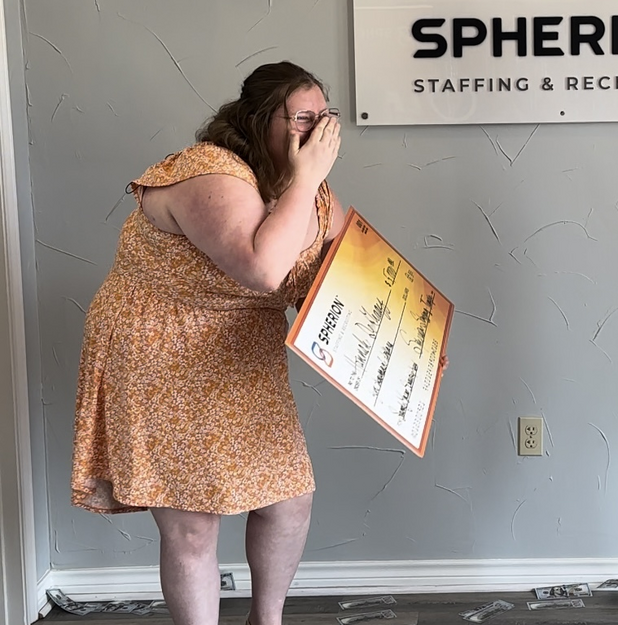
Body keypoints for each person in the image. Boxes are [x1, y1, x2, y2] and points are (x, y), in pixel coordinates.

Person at [71, 61, 444, 625]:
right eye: (302, 118)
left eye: (325, 119)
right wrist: (308, 177)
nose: (318, 132)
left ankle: (264, 621)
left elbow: (344, 273)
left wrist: (413, 346)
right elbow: (265, 269)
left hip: (240, 351)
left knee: (288, 499)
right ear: (258, 118)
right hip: (161, 349)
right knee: (194, 521)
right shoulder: (209, 173)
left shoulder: (307, 192)